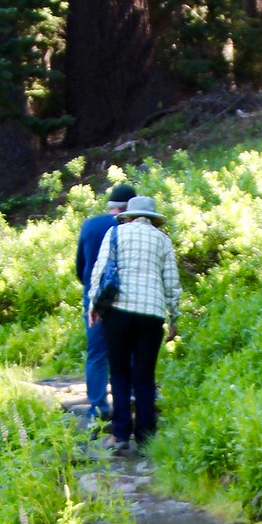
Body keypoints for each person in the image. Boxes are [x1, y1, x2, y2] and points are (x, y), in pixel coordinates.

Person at [87, 194, 181, 446]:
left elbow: (100, 270)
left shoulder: (116, 234)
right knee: (144, 375)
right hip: (151, 314)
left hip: (117, 311)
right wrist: (174, 318)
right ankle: (145, 436)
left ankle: (120, 433)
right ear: (153, 219)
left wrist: (94, 305)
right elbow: (171, 282)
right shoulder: (163, 241)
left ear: (128, 215)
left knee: (118, 372)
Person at [74, 182, 135, 423]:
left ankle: (97, 407)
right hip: (122, 296)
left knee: (97, 353)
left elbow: (80, 267)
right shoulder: (128, 228)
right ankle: (130, 396)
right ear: (129, 208)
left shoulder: (89, 225)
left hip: (93, 295)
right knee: (127, 346)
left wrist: (90, 286)